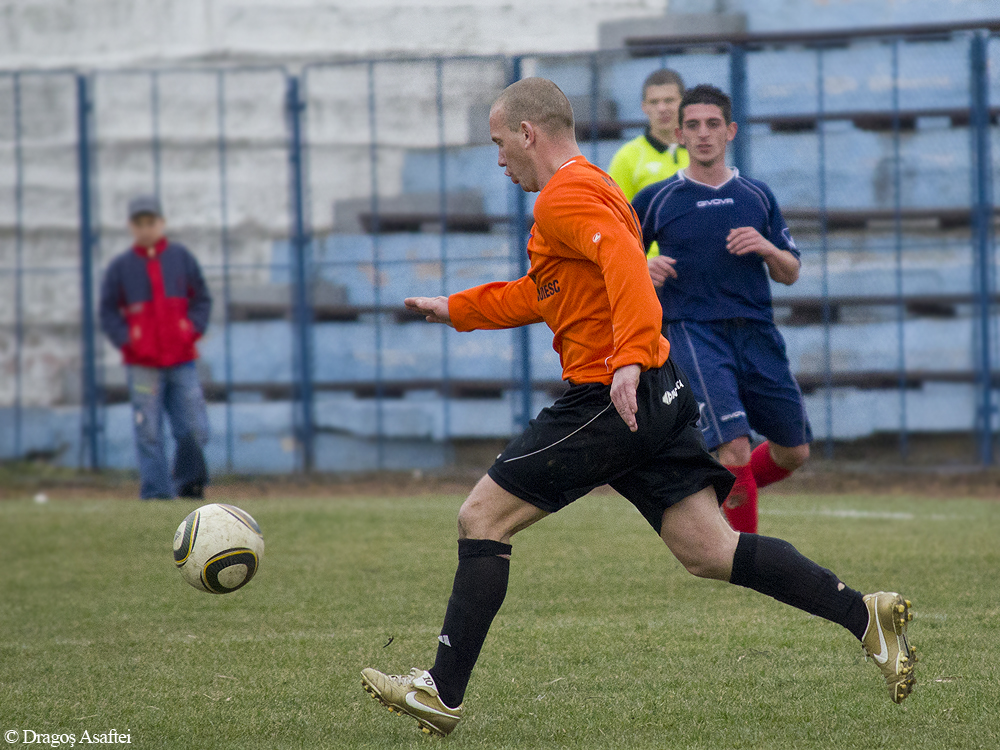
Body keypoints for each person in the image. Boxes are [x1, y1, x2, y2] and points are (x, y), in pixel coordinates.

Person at [360, 77, 916, 738]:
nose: (499, 158)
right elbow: (543, 293)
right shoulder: (586, 187)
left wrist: (626, 356)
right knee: (709, 549)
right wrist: (456, 308)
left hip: (611, 394)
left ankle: (441, 691)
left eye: (500, 142)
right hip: (653, 392)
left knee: (481, 517)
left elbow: (626, 260)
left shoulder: (565, 196)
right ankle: (864, 616)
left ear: (528, 133)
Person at [632, 84, 812, 535]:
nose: (703, 134)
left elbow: (791, 272)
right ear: (679, 134)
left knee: (794, 452)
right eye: (692, 125)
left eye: (713, 124)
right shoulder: (657, 198)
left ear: (730, 131)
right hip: (693, 333)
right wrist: (642, 268)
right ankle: (748, 558)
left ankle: (722, 495)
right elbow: (614, 260)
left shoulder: (756, 195)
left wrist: (767, 247)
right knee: (733, 449)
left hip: (757, 331)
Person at [99, 195, 211, 500]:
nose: (146, 229)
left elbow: (201, 299)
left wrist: (191, 329)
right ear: (130, 227)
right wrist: (128, 339)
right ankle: (156, 491)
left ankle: (189, 485)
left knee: (193, 426)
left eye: (151, 222)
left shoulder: (181, 258)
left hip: (181, 357)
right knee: (148, 430)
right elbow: (108, 311)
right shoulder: (121, 267)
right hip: (143, 363)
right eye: (139, 223)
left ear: (162, 223)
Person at [607, 68, 689, 201]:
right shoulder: (627, 157)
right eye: (654, 102)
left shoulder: (700, 150)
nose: (662, 108)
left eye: (669, 100)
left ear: (684, 103)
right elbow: (616, 210)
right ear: (644, 107)